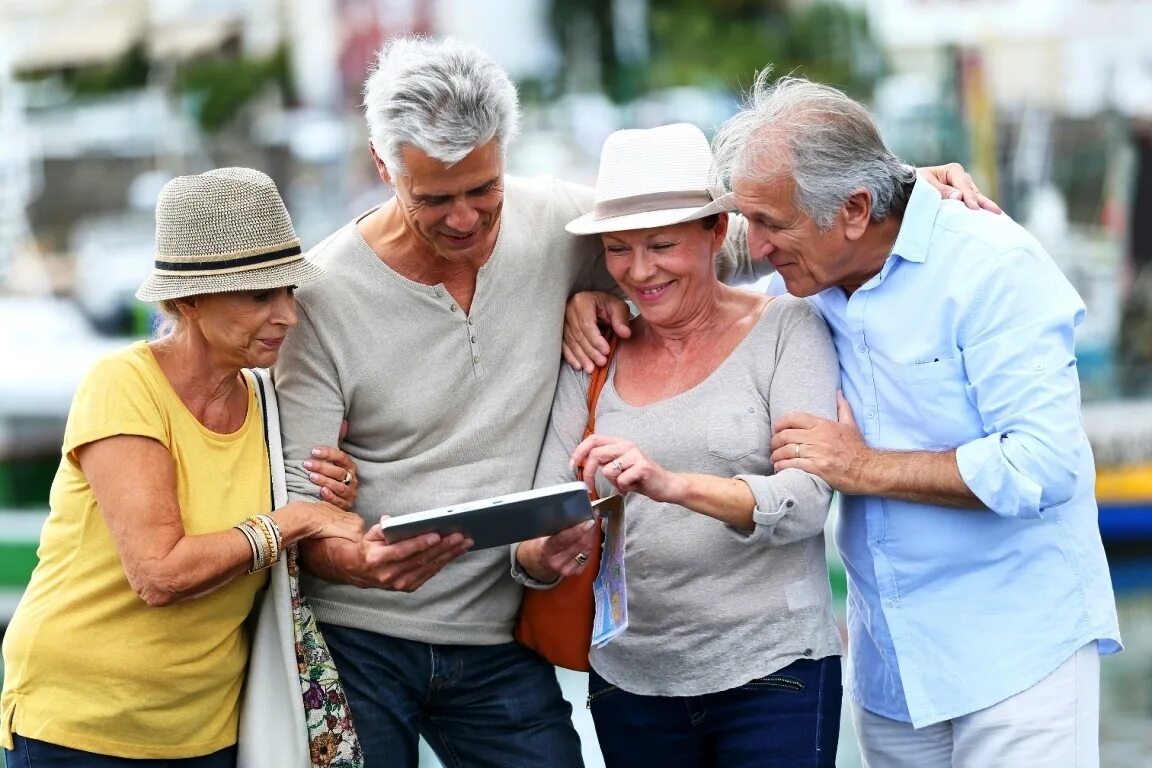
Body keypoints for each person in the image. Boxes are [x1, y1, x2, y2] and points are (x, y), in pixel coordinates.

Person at [273, 35, 990, 768]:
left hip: (497, 637)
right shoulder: (323, 293)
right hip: (363, 637)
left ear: (503, 158)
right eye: (433, 198)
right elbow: (304, 500)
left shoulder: (557, 222)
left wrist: (899, 195)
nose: (463, 219)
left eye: (482, 190)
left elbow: (738, 236)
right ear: (380, 164)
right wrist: (358, 561)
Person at [709, 74, 1122, 767]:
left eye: (773, 224)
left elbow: (1042, 463)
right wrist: (590, 301)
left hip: (1022, 661)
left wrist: (860, 467)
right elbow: (675, 265)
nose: (757, 244)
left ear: (855, 209)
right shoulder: (801, 280)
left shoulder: (993, 267)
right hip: (891, 668)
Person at [0, 168, 369, 766]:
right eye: (260, 295)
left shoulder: (270, 402)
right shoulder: (122, 385)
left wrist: (334, 493)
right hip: (78, 726)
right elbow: (159, 574)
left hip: (210, 730)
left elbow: (304, 513)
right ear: (189, 299)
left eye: (289, 293)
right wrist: (295, 521)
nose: (288, 317)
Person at [524, 122, 844, 768]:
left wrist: (668, 484)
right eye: (618, 250)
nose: (639, 271)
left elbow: (809, 500)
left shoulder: (787, 328)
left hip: (775, 672)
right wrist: (543, 552)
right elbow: (537, 524)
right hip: (631, 686)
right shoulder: (595, 350)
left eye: (661, 245)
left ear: (715, 233)